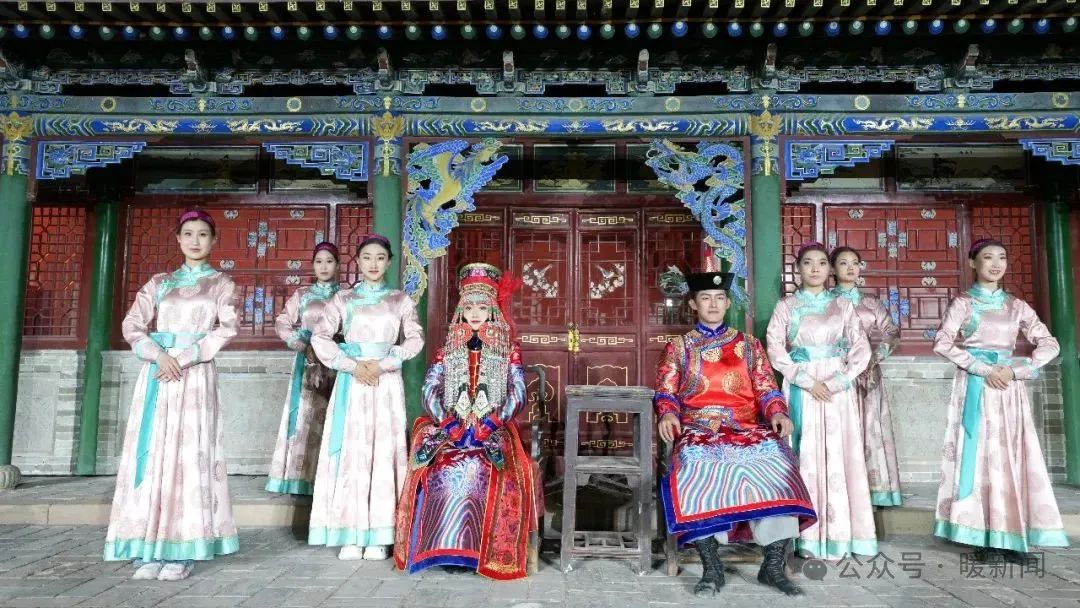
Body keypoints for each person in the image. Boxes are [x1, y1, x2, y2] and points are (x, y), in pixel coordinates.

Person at [656, 270, 816, 596]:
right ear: (693, 304)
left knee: (778, 465)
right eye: (705, 298)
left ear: (728, 303)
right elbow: (666, 391)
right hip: (699, 431)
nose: (713, 304)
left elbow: (766, 387)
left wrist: (778, 412)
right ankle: (712, 568)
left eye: (719, 298)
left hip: (747, 429)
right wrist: (668, 414)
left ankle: (772, 566)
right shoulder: (679, 347)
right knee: (696, 470)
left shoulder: (749, 345)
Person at [103, 209, 239, 581]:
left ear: (214, 241)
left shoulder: (222, 284)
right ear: (178, 239)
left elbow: (227, 329)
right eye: (188, 234)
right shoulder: (159, 283)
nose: (195, 240)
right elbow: (132, 324)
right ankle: (149, 545)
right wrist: (158, 355)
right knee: (155, 454)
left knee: (187, 455)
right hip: (159, 373)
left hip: (194, 375)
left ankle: (182, 548)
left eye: (203, 234)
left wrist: (184, 357)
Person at [394, 263, 537, 580]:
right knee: (441, 466)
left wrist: (494, 421)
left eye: (482, 308)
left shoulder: (508, 350)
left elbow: (518, 392)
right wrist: (446, 422)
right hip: (451, 429)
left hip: (492, 429)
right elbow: (430, 389)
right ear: (461, 310)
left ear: (493, 311)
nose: (475, 314)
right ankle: (443, 548)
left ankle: (475, 553)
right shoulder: (447, 351)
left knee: (477, 467)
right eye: (469, 307)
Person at [932, 238, 1068, 562]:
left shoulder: (1016, 306)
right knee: (981, 457)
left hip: (1008, 389)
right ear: (972, 263)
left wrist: (1018, 369)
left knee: (1010, 456)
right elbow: (942, 342)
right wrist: (983, 368)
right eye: (988, 257)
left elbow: (1050, 343)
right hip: (977, 386)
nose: (996, 264)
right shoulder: (963, 303)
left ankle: (1012, 536)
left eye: (1002, 257)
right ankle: (982, 536)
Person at [308, 234, 424, 560]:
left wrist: (384, 362)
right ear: (357, 261)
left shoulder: (400, 300)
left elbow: (415, 339)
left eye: (380, 258)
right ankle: (350, 532)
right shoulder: (343, 299)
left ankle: (380, 534)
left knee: (383, 450)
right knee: (353, 450)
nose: (373, 263)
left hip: (385, 383)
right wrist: (352, 365)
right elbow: (320, 337)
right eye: (367, 257)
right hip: (354, 380)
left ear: (389, 262)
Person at [766, 242, 876, 561]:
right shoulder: (786, 306)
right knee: (805, 455)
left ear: (829, 270)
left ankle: (841, 534)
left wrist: (838, 381)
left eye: (821, 263)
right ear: (797, 269)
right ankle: (806, 537)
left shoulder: (843, 306)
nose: (815, 269)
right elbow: (775, 349)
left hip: (836, 390)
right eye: (808, 263)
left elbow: (861, 349)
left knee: (841, 455)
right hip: (803, 386)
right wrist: (806, 381)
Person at [266, 242, 341, 496]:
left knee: (334, 415)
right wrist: (301, 344)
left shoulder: (346, 295)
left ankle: (331, 477)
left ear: (337, 265)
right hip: (308, 363)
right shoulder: (303, 294)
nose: (324, 266)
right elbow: (282, 322)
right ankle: (302, 479)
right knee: (306, 417)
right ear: (313, 265)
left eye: (329, 261)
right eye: (319, 261)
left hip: (337, 362)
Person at [830, 246, 903, 507]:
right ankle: (840, 487)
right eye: (843, 263)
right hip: (837, 372)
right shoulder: (825, 302)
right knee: (839, 426)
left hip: (868, 373)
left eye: (855, 263)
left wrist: (874, 357)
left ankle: (874, 489)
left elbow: (892, 332)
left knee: (869, 426)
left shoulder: (871, 303)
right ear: (832, 268)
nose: (851, 268)